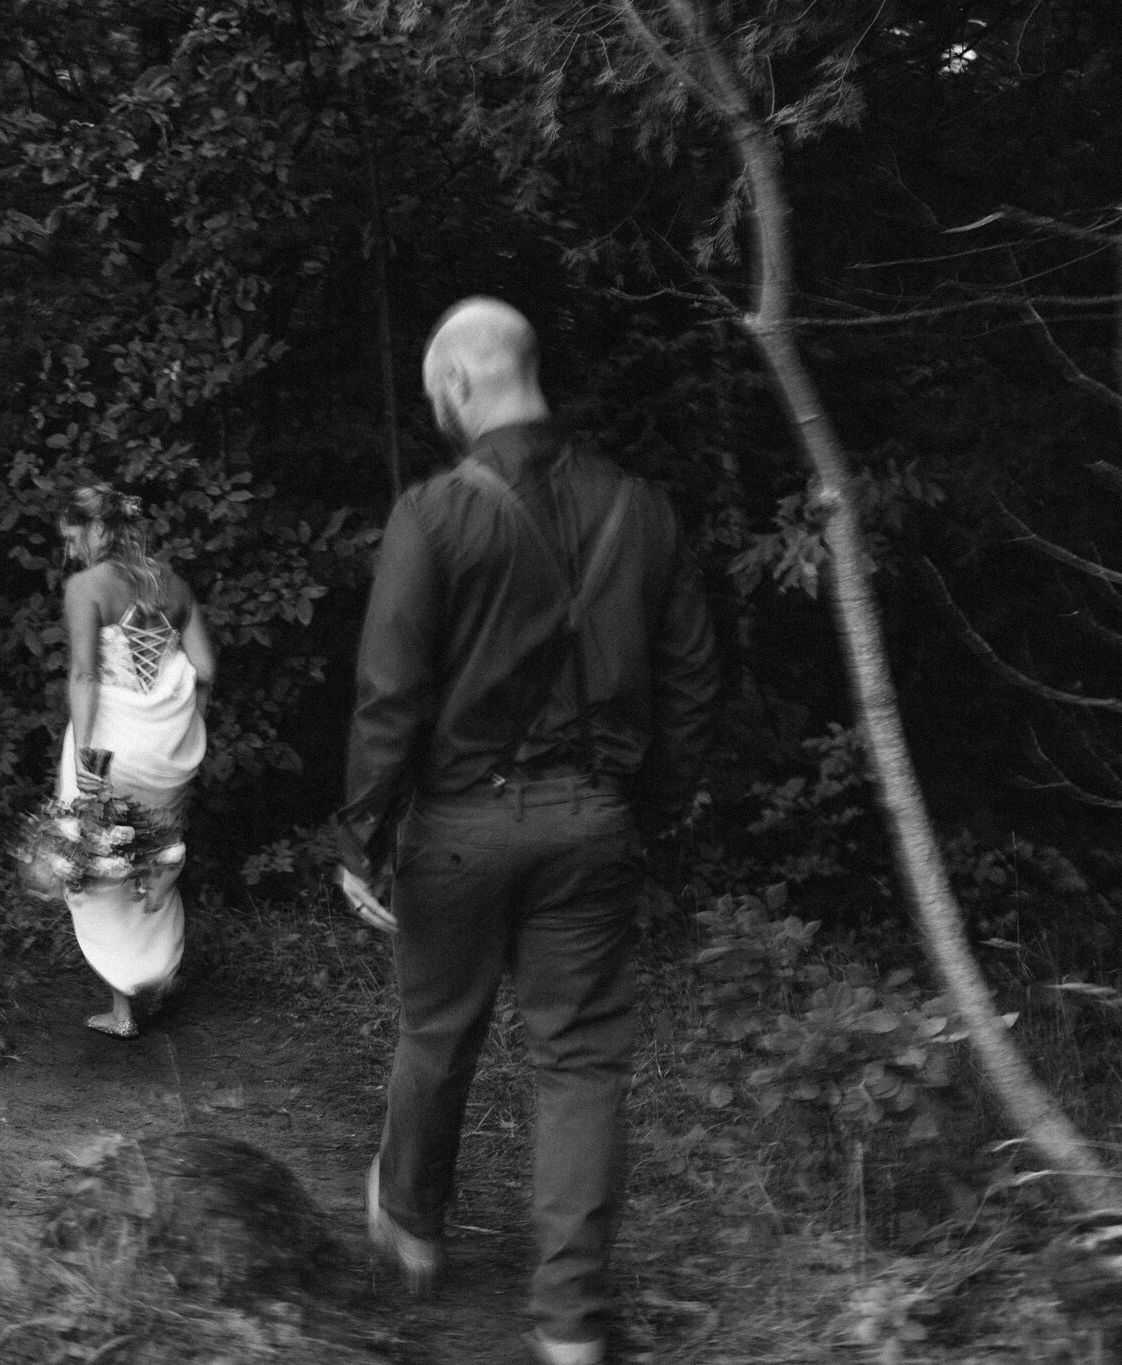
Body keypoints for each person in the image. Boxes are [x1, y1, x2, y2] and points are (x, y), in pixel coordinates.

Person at [336, 298, 719, 1365]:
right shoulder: (639, 510)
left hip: (456, 829)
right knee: (580, 1067)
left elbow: (389, 692)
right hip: (594, 825)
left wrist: (359, 829)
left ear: (460, 384)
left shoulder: (431, 514)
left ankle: (409, 1224)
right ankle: (566, 1325)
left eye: (433, 398)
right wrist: (648, 815)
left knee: (435, 1032)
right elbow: (692, 684)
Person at [54, 483, 216, 1039]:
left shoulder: (86, 587)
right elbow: (206, 669)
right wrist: (173, 718)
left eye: (72, 537)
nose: (71, 551)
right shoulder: (172, 584)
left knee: (100, 865)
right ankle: (159, 976)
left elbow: (84, 676)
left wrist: (84, 765)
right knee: (156, 858)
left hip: (111, 746)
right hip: (167, 750)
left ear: (97, 530)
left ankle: (124, 1010)